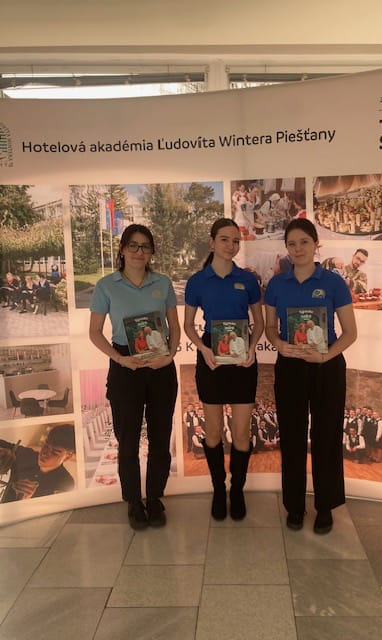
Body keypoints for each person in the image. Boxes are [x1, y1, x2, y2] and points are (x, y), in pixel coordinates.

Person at [264, 218, 357, 534]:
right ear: (286, 248)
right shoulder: (277, 284)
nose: (298, 248)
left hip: (326, 366)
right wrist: (280, 345)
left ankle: (325, 506)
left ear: (316, 244)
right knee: (291, 436)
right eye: (292, 244)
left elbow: (350, 332)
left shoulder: (333, 282)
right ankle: (294, 506)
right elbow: (270, 327)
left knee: (326, 436)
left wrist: (325, 355)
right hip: (290, 366)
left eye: (304, 241)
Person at [89, 223, 180, 530]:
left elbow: (174, 326)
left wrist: (170, 355)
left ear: (151, 251)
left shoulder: (162, 283)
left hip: (160, 365)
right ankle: (133, 501)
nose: (140, 252)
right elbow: (94, 332)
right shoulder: (106, 286)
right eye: (133, 245)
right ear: (122, 249)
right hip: (124, 365)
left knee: (160, 437)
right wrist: (119, 359)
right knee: (127, 439)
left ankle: (154, 498)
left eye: (145, 246)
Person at [184, 218, 264, 521]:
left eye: (235, 241)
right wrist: (203, 349)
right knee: (214, 431)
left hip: (243, 359)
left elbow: (258, 323)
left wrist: (252, 348)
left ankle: (237, 490)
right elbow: (188, 326)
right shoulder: (197, 281)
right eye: (224, 239)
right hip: (212, 358)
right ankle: (219, 489)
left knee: (241, 433)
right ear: (212, 242)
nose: (231, 246)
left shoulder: (248, 280)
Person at [0, 424, 76, 502]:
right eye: (46, 445)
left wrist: (26, 501)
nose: (45, 453)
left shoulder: (65, 483)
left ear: (67, 457)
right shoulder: (28, 455)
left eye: (55, 452)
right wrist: (3, 451)